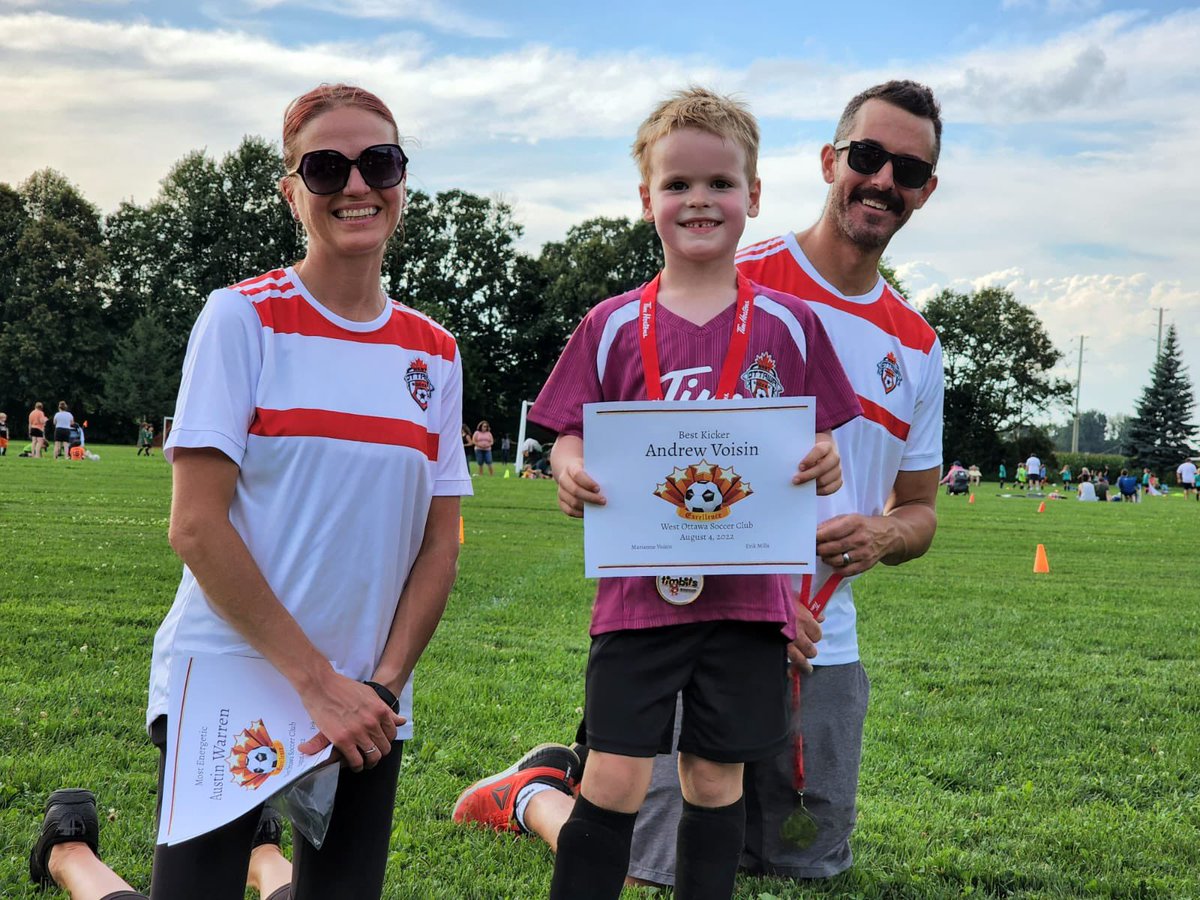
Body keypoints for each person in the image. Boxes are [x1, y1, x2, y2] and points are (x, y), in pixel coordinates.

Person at [455, 79, 944, 892]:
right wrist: (569, 464)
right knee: (636, 835)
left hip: (794, 617)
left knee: (798, 857)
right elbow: (585, 425)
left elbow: (901, 497)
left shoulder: (903, 343)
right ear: (829, 162)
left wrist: (868, 523)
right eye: (867, 156)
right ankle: (533, 793)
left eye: (910, 169)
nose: (886, 178)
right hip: (657, 595)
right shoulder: (704, 280)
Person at [29, 82, 471, 900]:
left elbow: (440, 542)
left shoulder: (434, 352)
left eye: (378, 162)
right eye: (325, 167)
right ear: (291, 191)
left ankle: (264, 854)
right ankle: (72, 856)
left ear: (402, 179)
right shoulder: (241, 319)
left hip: (369, 693)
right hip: (234, 670)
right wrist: (314, 684)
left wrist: (378, 686)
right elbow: (196, 527)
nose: (355, 185)